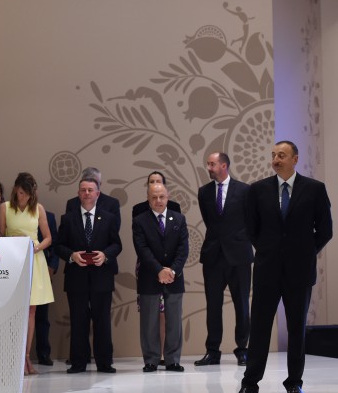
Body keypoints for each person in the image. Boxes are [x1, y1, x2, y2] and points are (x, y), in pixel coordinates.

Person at [233, 141, 333, 393]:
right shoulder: (257, 190)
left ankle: (294, 383)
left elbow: (325, 230)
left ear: (295, 159)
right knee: (260, 328)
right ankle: (250, 384)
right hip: (267, 269)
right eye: (273, 155)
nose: (276, 159)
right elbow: (251, 228)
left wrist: (305, 252)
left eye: (282, 155)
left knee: (297, 329)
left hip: (299, 272)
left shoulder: (315, 189)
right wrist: (268, 250)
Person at [54, 177, 122, 374]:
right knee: (78, 321)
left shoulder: (108, 217)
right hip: (76, 277)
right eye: (83, 190)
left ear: (98, 193)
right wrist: (72, 256)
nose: (87, 193)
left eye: (90, 190)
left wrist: (106, 255)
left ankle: (104, 363)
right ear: (78, 194)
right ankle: (78, 363)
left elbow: (117, 244)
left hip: (102, 277)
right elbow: (59, 246)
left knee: (102, 321)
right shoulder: (68, 218)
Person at [195, 153, 253, 367]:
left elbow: (251, 220)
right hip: (213, 255)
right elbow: (211, 222)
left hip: (239, 255)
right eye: (208, 164)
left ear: (224, 165)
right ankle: (212, 351)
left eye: (212, 164)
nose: (208, 167)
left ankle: (243, 349)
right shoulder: (204, 192)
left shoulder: (245, 190)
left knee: (242, 305)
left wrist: (241, 239)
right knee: (213, 305)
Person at [0, 173, 55, 375]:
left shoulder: (38, 208)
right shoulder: (5, 208)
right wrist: (14, 244)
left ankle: (26, 357)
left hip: (33, 260)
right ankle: (13, 357)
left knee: (31, 311)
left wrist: (36, 248)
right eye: (20, 193)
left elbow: (48, 237)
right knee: (13, 311)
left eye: (27, 195)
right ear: (15, 189)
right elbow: (1, 237)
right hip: (12, 262)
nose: (23, 198)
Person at [133, 183, 188, 373]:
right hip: (150, 276)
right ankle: (151, 360)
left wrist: (172, 271)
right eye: (154, 197)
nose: (158, 201)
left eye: (162, 197)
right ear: (148, 198)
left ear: (168, 197)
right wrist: (159, 270)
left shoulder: (179, 219)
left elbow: (183, 249)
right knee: (149, 321)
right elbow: (142, 249)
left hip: (175, 277)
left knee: (174, 321)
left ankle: (172, 360)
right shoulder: (140, 221)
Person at [35, 208, 58, 366]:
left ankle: (43, 354)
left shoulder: (48, 216)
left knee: (42, 317)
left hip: (42, 269)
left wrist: (52, 267)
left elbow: (54, 244)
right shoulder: (10, 212)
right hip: (17, 270)